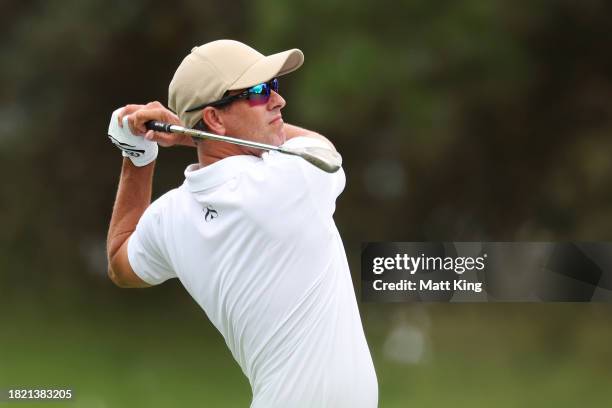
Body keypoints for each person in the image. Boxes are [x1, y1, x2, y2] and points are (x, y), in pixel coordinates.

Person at [106, 39, 378, 408]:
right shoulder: (291, 180)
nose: (277, 101)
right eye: (258, 92)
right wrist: (187, 137)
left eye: (274, 87)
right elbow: (322, 149)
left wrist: (136, 157)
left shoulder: (170, 217)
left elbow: (120, 260)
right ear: (215, 119)